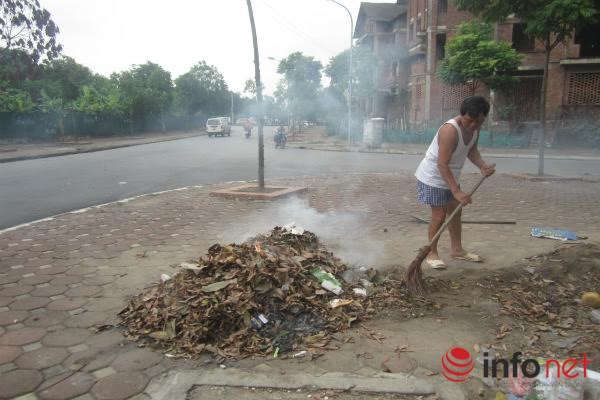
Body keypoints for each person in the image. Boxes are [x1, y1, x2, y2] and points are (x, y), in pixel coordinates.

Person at [414, 96, 496, 269]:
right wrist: (457, 192)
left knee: (455, 212)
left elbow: (471, 150)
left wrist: (483, 166)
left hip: (451, 176)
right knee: (439, 215)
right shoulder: (450, 130)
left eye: (478, 121)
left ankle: (457, 250)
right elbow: (442, 164)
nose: (473, 125)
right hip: (433, 177)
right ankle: (431, 253)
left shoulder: (475, 129)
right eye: (470, 120)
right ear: (462, 115)